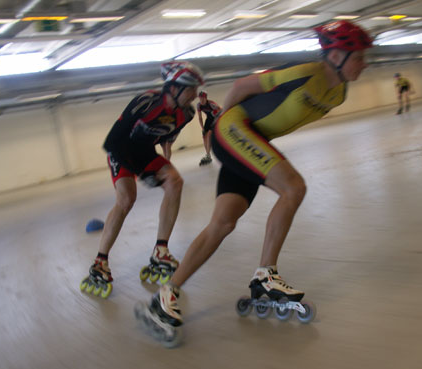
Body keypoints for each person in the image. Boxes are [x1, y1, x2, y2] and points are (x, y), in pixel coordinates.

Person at [135, 20, 373, 345]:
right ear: (335, 55)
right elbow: (243, 85)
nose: (364, 63)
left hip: (251, 139)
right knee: (294, 188)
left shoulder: (339, 91)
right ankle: (266, 275)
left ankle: (165, 295)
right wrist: (224, 126)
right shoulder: (308, 72)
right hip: (236, 130)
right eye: (359, 56)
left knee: (222, 223)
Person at [80, 61, 204, 299]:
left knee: (175, 182)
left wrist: (167, 169)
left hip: (145, 152)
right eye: (191, 89)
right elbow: (112, 143)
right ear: (173, 88)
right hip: (122, 150)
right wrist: (143, 173)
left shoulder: (186, 113)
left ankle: (161, 250)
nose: (195, 95)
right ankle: (100, 262)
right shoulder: (145, 102)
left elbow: (166, 140)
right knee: (126, 200)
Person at [196, 90, 222, 166]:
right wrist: (202, 128)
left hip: (215, 118)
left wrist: (215, 113)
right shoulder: (199, 105)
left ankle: (209, 153)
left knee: (209, 134)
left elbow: (221, 110)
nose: (201, 100)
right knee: (204, 135)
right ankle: (208, 155)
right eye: (200, 98)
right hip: (208, 119)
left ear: (206, 98)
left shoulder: (211, 104)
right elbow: (200, 117)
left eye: (203, 99)